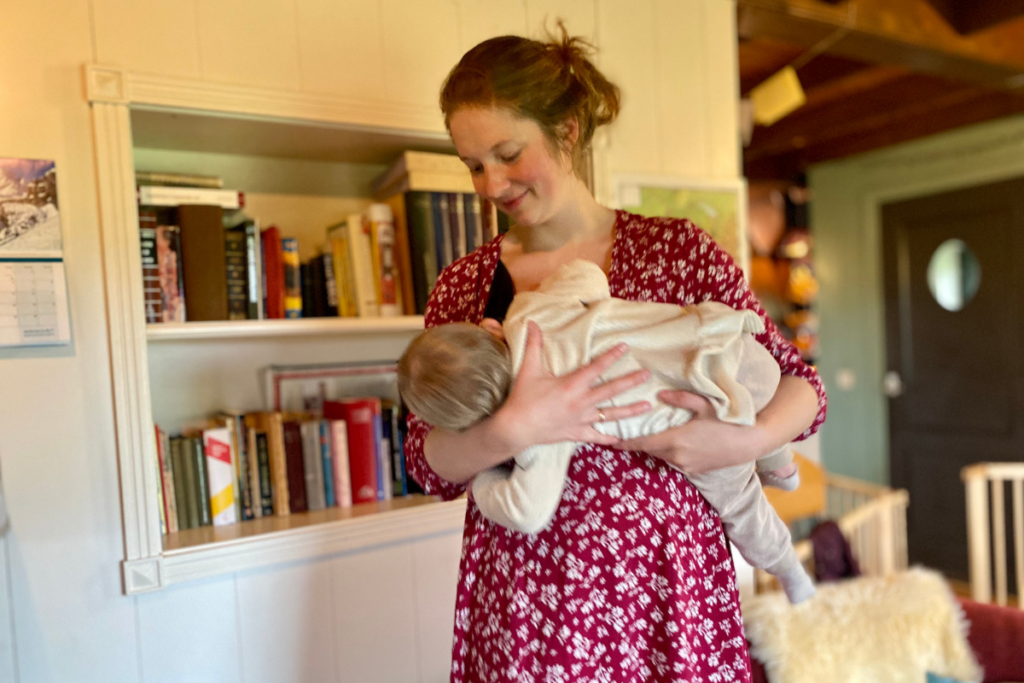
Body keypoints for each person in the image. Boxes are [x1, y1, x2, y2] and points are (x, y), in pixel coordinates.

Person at [404, 26, 827, 683]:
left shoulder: (677, 249)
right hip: (531, 607)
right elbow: (426, 462)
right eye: (473, 164)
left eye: (507, 153)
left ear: (567, 130)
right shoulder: (464, 285)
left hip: (669, 594)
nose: (490, 184)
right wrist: (516, 428)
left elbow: (801, 385)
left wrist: (739, 442)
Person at [399, 258, 815, 603]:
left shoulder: (543, 420)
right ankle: (779, 463)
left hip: (706, 417)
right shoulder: (531, 313)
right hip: (730, 346)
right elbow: (586, 274)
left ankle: (789, 569)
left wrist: (485, 483)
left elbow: (527, 510)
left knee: (743, 507)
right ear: (489, 329)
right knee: (754, 399)